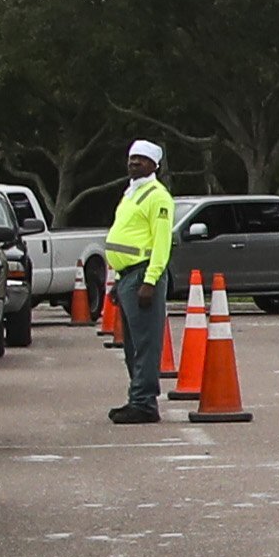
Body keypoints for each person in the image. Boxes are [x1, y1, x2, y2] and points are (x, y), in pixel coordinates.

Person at [101, 142, 178, 424]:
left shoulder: (157, 196)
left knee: (145, 344)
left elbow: (161, 242)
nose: (134, 163)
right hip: (128, 276)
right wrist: (118, 283)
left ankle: (144, 403)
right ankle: (138, 398)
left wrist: (151, 280)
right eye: (132, 158)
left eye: (142, 160)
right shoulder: (132, 193)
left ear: (155, 165)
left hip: (143, 274)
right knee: (132, 344)